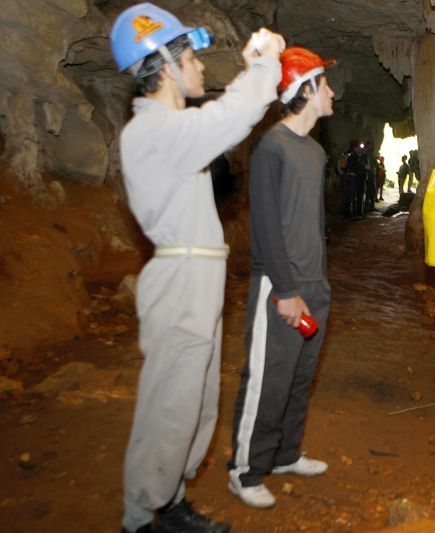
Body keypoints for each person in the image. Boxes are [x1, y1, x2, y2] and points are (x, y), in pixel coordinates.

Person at [111, 3, 284, 532]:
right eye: (191, 57)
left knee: (197, 396)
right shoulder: (152, 133)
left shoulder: (172, 128)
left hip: (198, 278)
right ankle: (143, 517)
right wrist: (262, 67)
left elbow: (214, 124)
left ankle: (171, 498)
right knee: (172, 398)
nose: (201, 67)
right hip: (182, 280)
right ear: (165, 64)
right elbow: (226, 119)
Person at [228, 46, 335, 509]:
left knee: (298, 377)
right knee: (268, 378)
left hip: (315, 283)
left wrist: (318, 284)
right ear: (306, 89)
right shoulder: (272, 146)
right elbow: (266, 227)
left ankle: (287, 453)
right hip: (281, 285)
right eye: (324, 83)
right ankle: (246, 469)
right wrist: (287, 291)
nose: (331, 91)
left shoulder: (314, 151)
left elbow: (308, 223)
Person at [347, 141, 366, 217]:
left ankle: (358, 213)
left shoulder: (358, 157)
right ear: (355, 148)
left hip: (359, 179)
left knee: (359, 196)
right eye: (359, 147)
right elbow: (351, 168)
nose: (360, 149)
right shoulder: (352, 157)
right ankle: (354, 213)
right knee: (354, 196)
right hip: (354, 179)